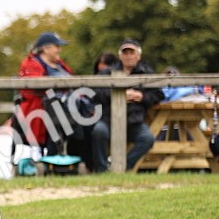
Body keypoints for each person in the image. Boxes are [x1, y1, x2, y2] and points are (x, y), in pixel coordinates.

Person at [90, 38, 163, 173]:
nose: (128, 56)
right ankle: (101, 170)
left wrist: (142, 97)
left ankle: (123, 167)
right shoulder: (107, 73)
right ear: (120, 56)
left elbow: (159, 95)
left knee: (147, 138)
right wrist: (118, 95)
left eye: (131, 52)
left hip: (134, 122)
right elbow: (96, 93)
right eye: (125, 53)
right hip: (109, 120)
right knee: (98, 132)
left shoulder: (147, 73)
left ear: (138, 55)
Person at [16, 31, 75, 154]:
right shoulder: (31, 63)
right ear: (46, 48)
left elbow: (72, 80)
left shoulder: (59, 65)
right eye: (57, 46)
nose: (59, 50)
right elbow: (34, 87)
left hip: (66, 107)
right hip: (40, 109)